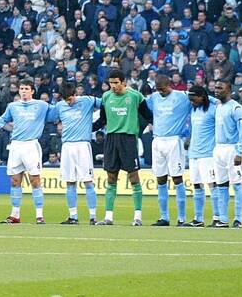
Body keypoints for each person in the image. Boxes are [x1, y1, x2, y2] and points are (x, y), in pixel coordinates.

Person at [97, 70, 149, 226]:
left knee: (133, 177)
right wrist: (90, 127)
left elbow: (147, 115)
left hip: (128, 139)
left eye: (116, 83)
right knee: (111, 178)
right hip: (111, 139)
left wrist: (138, 131)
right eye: (111, 83)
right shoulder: (106, 97)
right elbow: (102, 119)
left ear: (123, 82)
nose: (113, 86)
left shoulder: (135, 96)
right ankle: (108, 218)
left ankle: (138, 217)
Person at [48, 83, 99, 225]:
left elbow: (106, 104)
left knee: (88, 182)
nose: (69, 102)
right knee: (70, 182)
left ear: (75, 94)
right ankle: (73, 216)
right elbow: (50, 117)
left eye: (70, 99)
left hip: (83, 145)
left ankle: (93, 217)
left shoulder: (88, 101)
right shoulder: (59, 106)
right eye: (66, 100)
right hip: (67, 146)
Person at [144, 75, 191, 226]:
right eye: (158, 89)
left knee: (177, 178)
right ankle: (164, 217)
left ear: (169, 85)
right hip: (157, 140)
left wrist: (215, 101)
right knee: (160, 179)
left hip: (173, 141)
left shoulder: (182, 96)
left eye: (162, 89)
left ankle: (181, 218)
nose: (160, 92)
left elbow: (203, 97)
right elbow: (142, 105)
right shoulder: (154, 97)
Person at [1, 79, 49, 224]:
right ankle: (15, 215)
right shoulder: (13, 106)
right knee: (15, 181)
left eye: (26, 88)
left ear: (32, 91)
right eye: (21, 88)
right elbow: (2, 121)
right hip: (16, 145)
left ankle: (39, 215)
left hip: (31, 145)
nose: (23, 91)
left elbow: (56, 113)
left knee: (35, 180)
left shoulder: (42, 105)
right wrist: (11, 129)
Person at [212, 81, 242, 228]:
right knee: (221, 184)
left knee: (237, 184)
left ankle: (238, 219)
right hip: (219, 149)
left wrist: (239, 151)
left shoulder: (236, 107)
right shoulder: (218, 107)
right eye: (215, 88)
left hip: (232, 149)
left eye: (220, 88)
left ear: (228, 90)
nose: (217, 90)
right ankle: (223, 219)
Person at [185, 84, 217, 228]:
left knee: (212, 185)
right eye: (190, 99)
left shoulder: (214, 109)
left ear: (202, 97)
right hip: (194, 153)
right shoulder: (194, 110)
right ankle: (198, 218)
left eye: (194, 99)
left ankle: (217, 217)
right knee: (197, 185)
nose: (192, 102)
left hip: (208, 154)